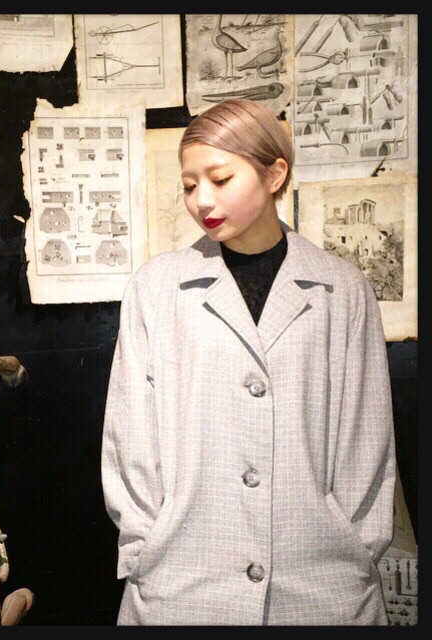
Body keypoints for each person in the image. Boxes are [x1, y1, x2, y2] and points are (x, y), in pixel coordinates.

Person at [101, 99, 396, 625]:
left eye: (220, 179)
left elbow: (367, 437)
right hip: (184, 580)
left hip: (320, 584)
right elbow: (130, 433)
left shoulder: (341, 288)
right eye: (189, 185)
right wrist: (147, 542)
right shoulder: (156, 288)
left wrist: (353, 548)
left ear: (274, 173)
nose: (202, 200)